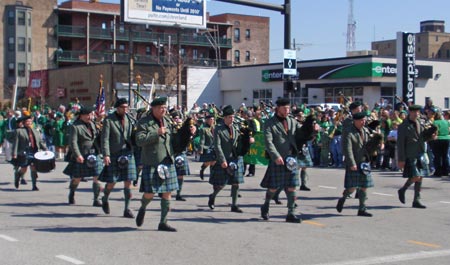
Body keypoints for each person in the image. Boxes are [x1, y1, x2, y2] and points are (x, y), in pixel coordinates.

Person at [134, 97, 196, 232]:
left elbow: (175, 137)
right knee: (149, 194)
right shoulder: (144, 122)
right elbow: (139, 140)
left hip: (167, 160)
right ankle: (143, 207)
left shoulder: (167, 120)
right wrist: (156, 133)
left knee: (167, 193)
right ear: (154, 109)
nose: (164, 110)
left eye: (165, 107)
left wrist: (188, 132)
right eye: (161, 108)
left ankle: (163, 222)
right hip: (152, 162)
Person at [260, 98, 302, 223]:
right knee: (273, 187)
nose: (287, 110)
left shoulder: (293, 121)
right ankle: (266, 205)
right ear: (278, 108)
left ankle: (291, 213)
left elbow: (302, 133)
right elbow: (268, 142)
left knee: (292, 187)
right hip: (278, 159)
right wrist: (275, 156)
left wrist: (313, 129)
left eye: (288, 108)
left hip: (291, 159)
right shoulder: (269, 123)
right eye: (284, 108)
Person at [207, 105, 252, 213]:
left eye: (233, 117)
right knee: (221, 184)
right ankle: (212, 196)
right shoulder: (218, 129)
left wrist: (249, 139)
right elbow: (217, 146)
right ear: (225, 118)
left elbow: (242, 138)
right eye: (230, 117)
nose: (232, 119)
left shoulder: (236, 126)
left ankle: (234, 205)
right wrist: (222, 160)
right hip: (224, 158)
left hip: (235, 158)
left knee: (236, 183)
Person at [99, 98, 137, 218]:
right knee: (112, 182)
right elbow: (104, 139)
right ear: (117, 107)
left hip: (128, 153)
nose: (125, 109)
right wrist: (106, 154)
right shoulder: (109, 120)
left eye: (127, 107)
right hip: (114, 153)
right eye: (123, 107)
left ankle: (127, 208)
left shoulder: (130, 119)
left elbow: (133, 135)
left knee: (128, 181)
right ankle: (105, 198)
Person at [397, 105, 436, 209]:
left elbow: (423, 138)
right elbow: (400, 143)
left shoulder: (421, 123)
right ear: (409, 112)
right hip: (410, 154)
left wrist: (432, 136)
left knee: (420, 177)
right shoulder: (403, 126)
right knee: (416, 176)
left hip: (421, 153)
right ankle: (403, 189)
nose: (416, 114)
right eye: (414, 112)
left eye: (417, 112)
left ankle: (416, 200)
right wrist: (401, 159)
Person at [336, 112, 374, 217]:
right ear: (355, 121)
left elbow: (368, 146)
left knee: (364, 186)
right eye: (361, 120)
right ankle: (343, 198)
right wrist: (352, 163)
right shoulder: (349, 132)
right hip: (354, 162)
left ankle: (362, 209)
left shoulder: (366, 131)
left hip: (364, 163)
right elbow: (347, 149)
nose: (364, 122)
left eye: (364, 120)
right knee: (352, 187)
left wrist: (378, 142)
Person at [64, 106, 104, 206]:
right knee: (77, 178)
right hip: (82, 155)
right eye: (87, 115)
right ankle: (72, 193)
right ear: (81, 116)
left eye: (91, 115)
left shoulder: (93, 124)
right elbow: (73, 142)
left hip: (94, 153)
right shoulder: (75, 126)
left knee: (97, 176)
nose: (90, 117)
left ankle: (96, 199)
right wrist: (77, 155)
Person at [12, 115, 47, 190]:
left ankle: (34, 185)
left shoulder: (35, 130)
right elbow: (16, 143)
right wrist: (14, 153)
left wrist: (45, 149)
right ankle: (18, 176)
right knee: (24, 168)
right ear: (24, 123)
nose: (29, 123)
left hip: (34, 152)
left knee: (33, 168)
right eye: (27, 121)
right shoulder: (19, 131)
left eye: (30, 121)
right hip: (24, 152)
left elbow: (40, 142)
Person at [198, 114, 216, 180]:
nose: (212, 121)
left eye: (213, 119)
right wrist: (201, 149)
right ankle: (202, 169)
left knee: (213, 162)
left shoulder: (215, 127)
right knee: (207, 162)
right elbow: (202, 140)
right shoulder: (203, 129)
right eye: (211, 119)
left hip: (215, 147)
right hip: (207, 147)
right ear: (207, 120)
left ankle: (212, 176)